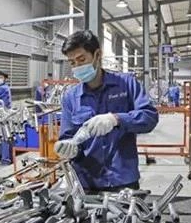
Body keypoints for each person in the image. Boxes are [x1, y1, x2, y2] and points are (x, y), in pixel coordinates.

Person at [54, 30, 159, 193]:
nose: (77, 67)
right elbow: (67, 137)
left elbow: (150, 117)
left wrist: (116, 119)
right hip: (86, 181)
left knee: (127, 218)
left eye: (81, 59)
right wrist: (69, 148)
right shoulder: (70, 97)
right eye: (72, 63)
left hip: (122, 179)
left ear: (97, 55)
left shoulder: (126, 84)